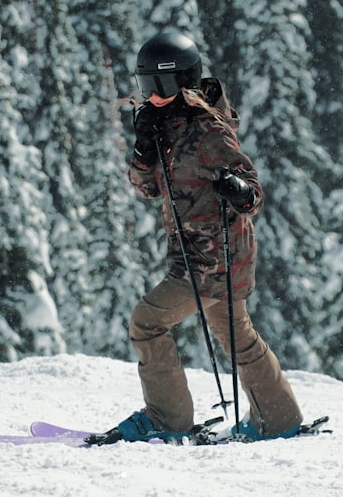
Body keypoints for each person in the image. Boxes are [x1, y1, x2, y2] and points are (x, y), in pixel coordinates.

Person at [87, 32, 303, 445]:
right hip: (201, 255)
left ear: (180, 83)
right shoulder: (163, 125)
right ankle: (279, 420)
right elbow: (148, 188)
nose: (150, 96)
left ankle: (167, 420)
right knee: (237, 335)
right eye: (145, 87)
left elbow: (253, 193)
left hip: (213, 259)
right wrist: (144, 149)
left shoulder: (209, 132)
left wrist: (238, 189)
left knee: (147, 323)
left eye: (159, 87)